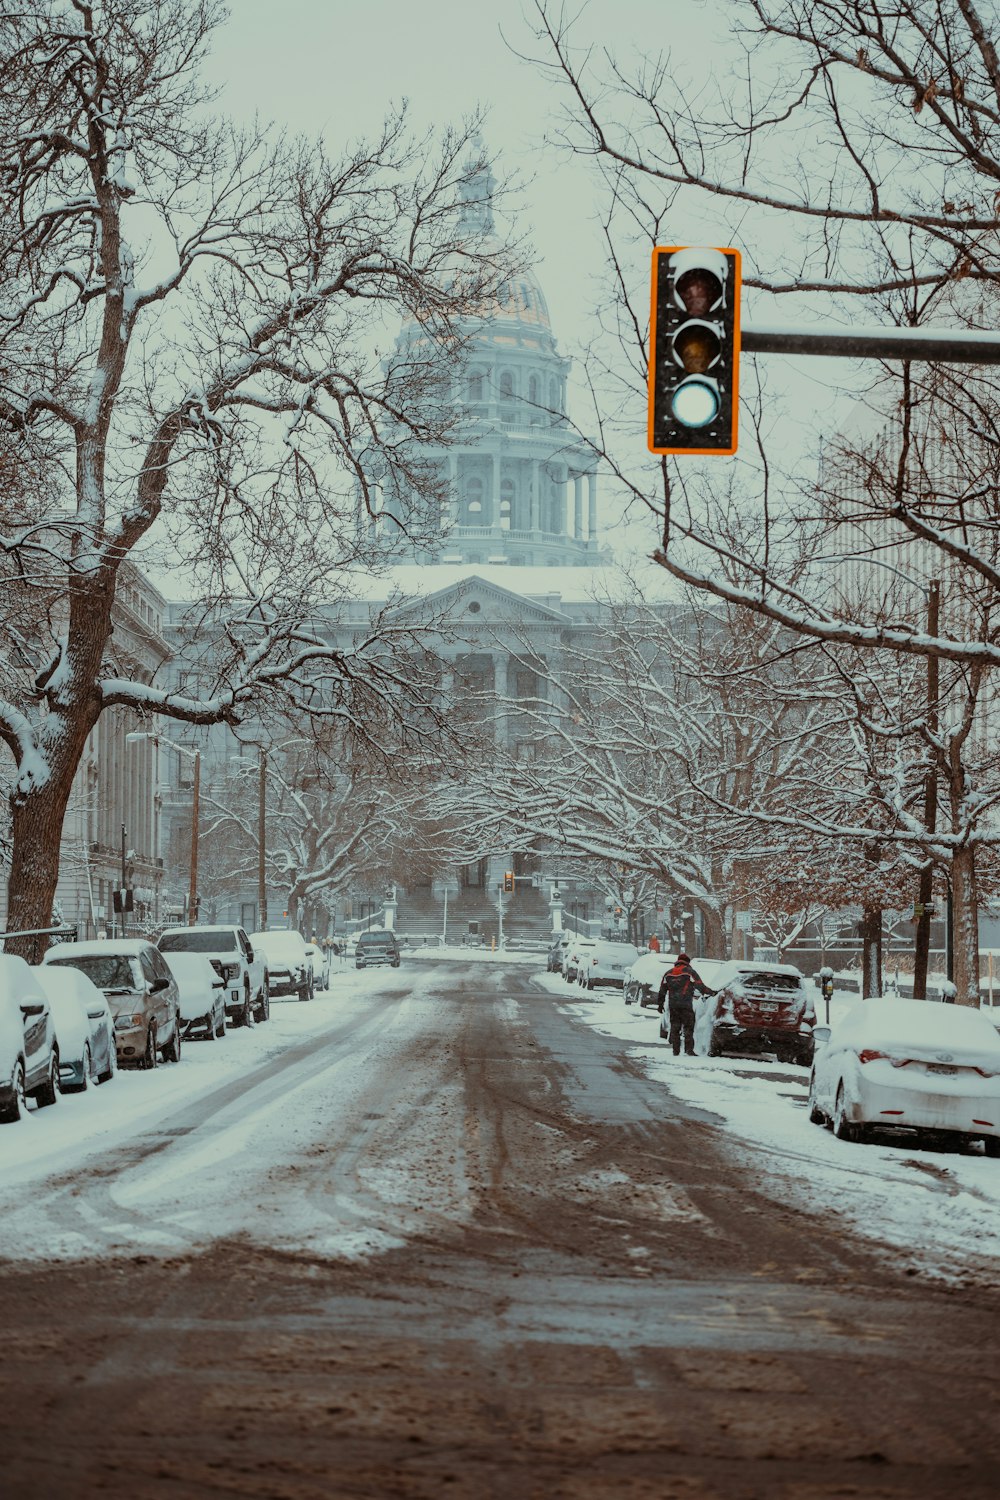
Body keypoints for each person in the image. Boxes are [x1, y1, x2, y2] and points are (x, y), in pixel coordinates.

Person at [656, 952, 715, 1057]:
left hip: (673, 1004)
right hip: (686, 1004)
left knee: (675, 1027)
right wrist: (711, 992)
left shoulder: (668, 973)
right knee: (688, 1027)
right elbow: (700, 986)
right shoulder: (689, 972)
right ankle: (688, 1050)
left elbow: (662, 990)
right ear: (687, 962)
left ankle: (675, 1050)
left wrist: (660, 1004)